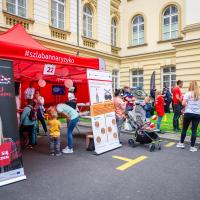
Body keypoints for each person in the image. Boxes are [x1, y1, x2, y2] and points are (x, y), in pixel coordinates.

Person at [176, 81, 200, 152]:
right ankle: (192, 147)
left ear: (190, 86)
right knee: (194, 130)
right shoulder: (199, 94)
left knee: (184, 128)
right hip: (197, 114)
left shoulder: (187, 93)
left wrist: (187, 105)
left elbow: (183, 103)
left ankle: (181, 143)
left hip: (188, 113)